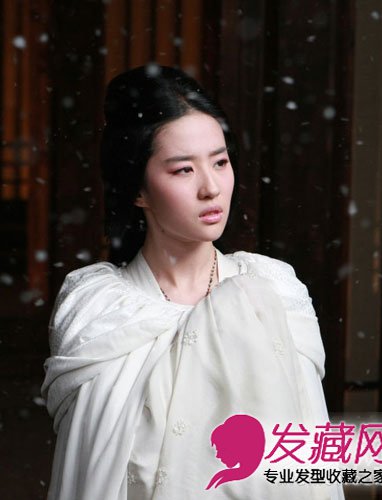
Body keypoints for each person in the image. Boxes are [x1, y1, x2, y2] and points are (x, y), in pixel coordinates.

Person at [41, 64, 344, 499]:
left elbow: (307, 454)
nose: (211, 188)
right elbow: (88, 470)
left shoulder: (275, 290)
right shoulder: (100, 310)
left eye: (220, 162)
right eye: (183, 170)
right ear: (137, 189)